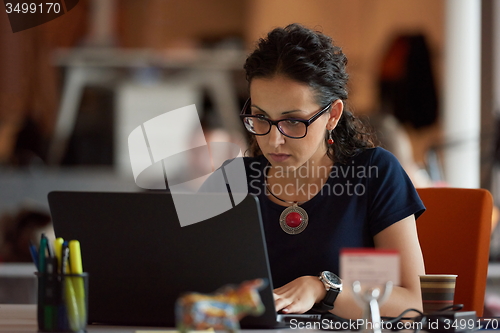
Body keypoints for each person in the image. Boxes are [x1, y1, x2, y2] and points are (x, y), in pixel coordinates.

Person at [236, 23, 425, 319]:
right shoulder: (233, 180)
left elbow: (413, 303)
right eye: (260, 118)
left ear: (332, 115)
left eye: (293, 121)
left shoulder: (374, 173)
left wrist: (322, 289)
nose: (273, 139)